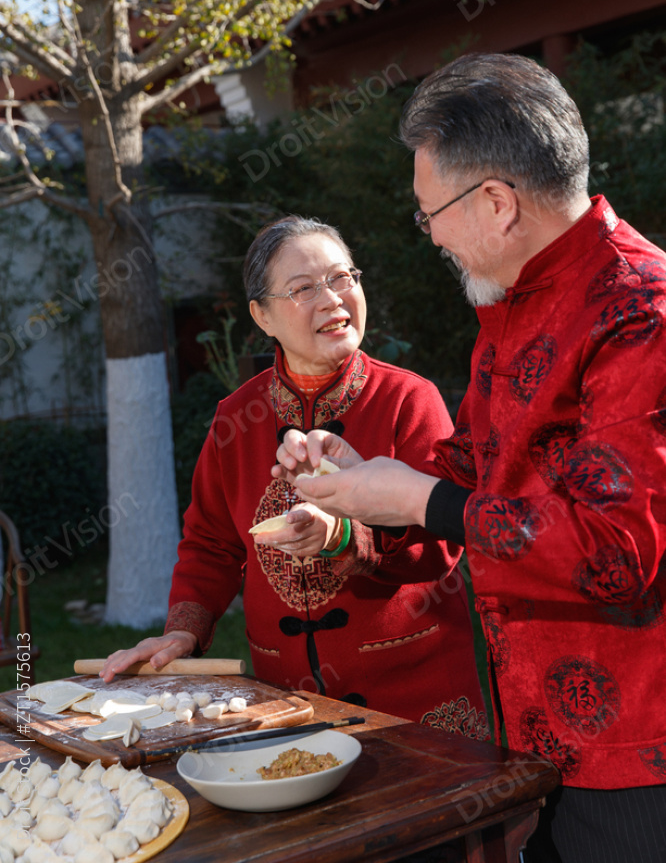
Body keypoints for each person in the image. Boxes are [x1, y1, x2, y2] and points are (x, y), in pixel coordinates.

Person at [274, 56, 666, 863]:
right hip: (537, 739)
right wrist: (359, 482)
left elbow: (619, 553)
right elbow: (469, 479)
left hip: (637, 751)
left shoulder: (640, 309)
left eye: (431, 215)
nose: (433, 237)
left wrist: (421, 500)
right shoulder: (516, 301)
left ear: (496, 202)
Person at [101, 215, 487, 734]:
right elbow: (211, 545)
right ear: (262, 316)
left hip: (413, 699)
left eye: (341, 278)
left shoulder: (408, 400)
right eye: (303, 288)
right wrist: (183, 633)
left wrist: (344, 536)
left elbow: (444, 548)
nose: (331, 299)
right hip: (290, 703)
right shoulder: (236, 418)